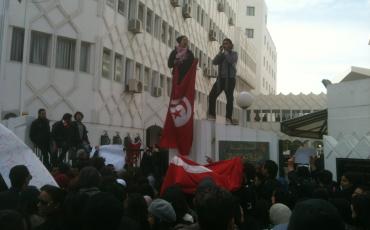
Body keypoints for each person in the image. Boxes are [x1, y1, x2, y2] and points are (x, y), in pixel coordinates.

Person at [208, 38, 238, 124]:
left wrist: (225, 53)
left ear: (230, 45)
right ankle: (212, 115)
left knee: (229, 99)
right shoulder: (222, 55)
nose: (224, 45)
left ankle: (228, 118)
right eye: (223, 43)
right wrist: (219, 53)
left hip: (230, 79)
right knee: (212, 95)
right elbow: (214, 62)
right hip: (220, 79)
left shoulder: (234, 54)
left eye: (226, 44)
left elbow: (231, 60)